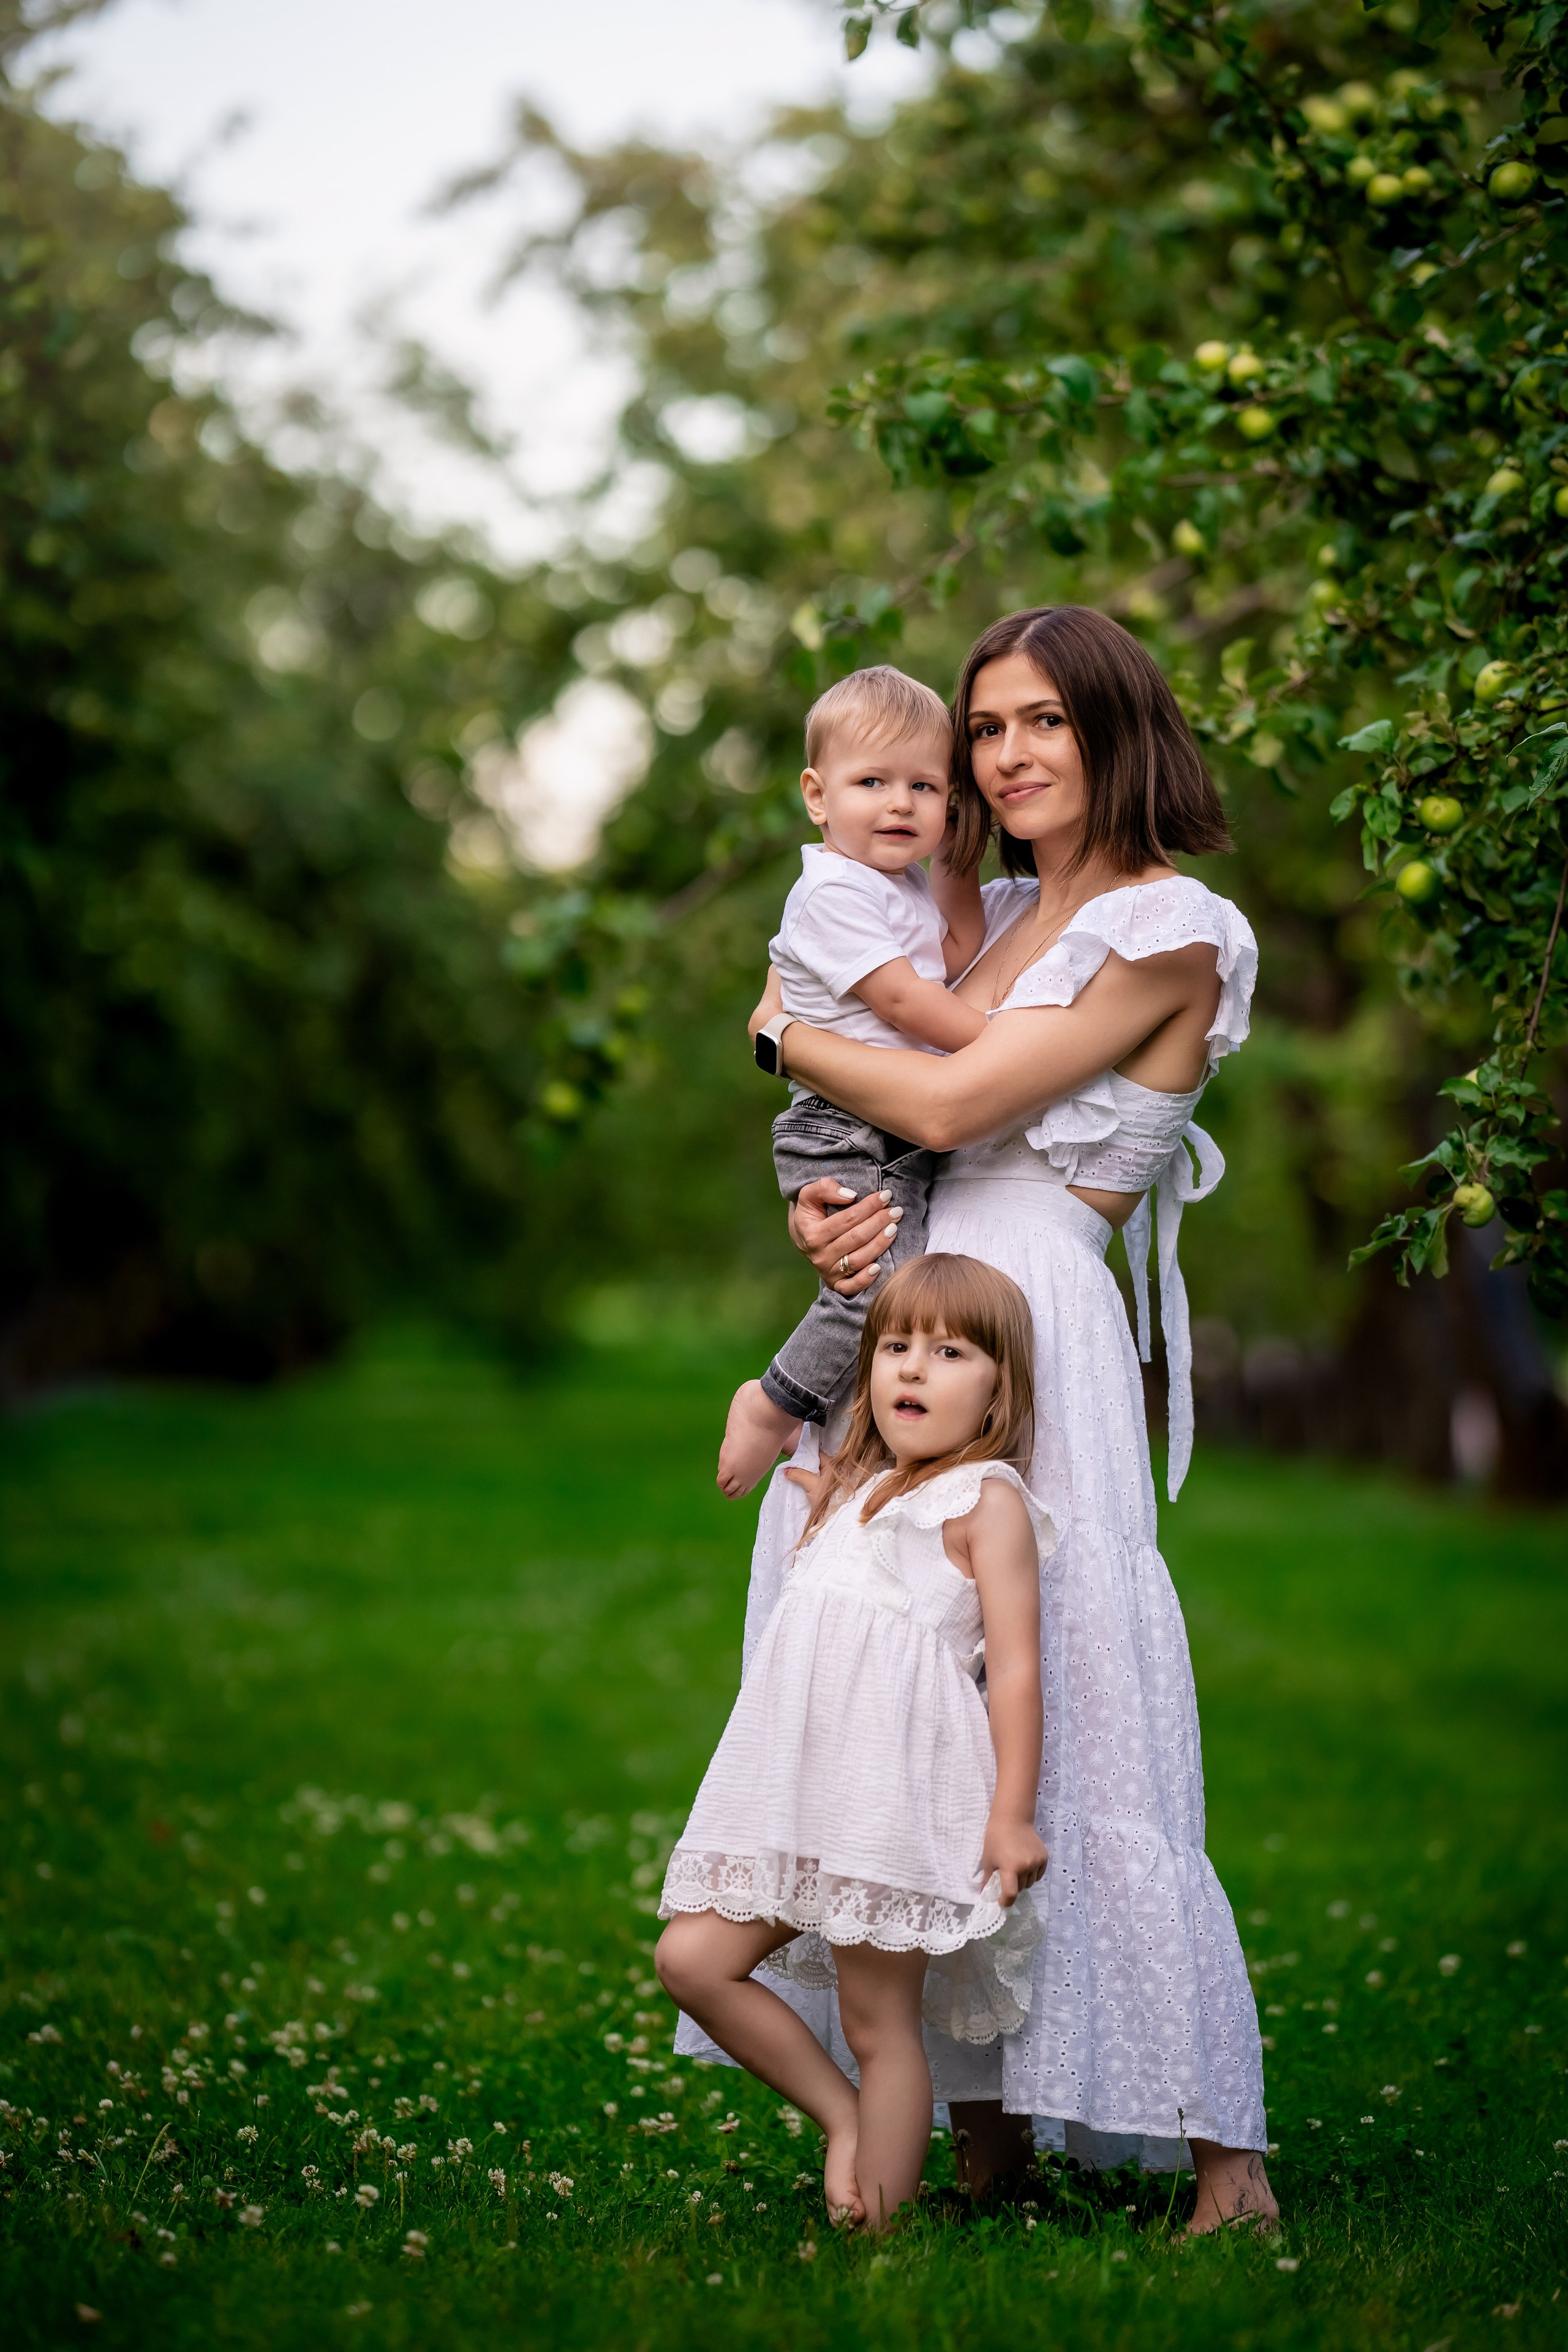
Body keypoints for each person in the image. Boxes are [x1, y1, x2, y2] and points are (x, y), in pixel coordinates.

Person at [712, 604, 1275, 2234]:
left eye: (1049, 722)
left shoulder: (1175, 927)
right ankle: (979, 2128)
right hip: (913, 1311)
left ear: (1119, 734)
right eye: (990, 728)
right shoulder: (987, 906)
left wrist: (777, 1035)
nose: (1013, 756)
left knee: (1071, 1692)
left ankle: (1222, 2161)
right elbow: (871, 1067)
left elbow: (951, 1100)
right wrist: (830, 1212)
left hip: (1035, 1315)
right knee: (895, 1702)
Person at [657, 1254, 1056, 2231]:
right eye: (896, 1348)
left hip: (889, 1802)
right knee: (692, 1960)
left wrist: (1009, 1818)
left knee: (883, 2025)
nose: (913, 1370)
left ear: (1000, 1385)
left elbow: (1013, 1667)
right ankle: (839, 2114)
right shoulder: (857, 1483)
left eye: (950, 1351)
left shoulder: (984, 1501)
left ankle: (878, 2229)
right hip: (798, 1799)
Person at [718, 666, 986, 1499]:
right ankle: (774, 1401)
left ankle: (859, 1455)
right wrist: (998, 1043)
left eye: (925, 787)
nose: (901, 803)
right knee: (881, 1300)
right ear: (817, 795)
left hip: (881, 1123)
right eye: (872, 782)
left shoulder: (894, 885)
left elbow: (950, 954)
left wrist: (958, 858)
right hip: (844, 1124)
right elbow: (908, 999)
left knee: (900, 1302)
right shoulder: (831, 893)